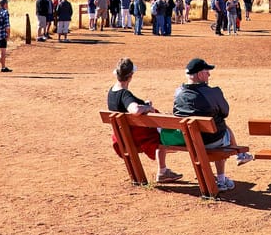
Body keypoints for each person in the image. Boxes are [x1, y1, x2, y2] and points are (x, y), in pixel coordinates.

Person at [172, 58, 254, 192]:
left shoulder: (178, 93)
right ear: (199, 75)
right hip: (212, 141)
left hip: (189, 141)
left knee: (215, 126)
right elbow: (225, 112)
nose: (209, 75)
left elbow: (177, 113)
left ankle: (237, 160)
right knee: (220, 127)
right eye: (207, 72)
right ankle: (221, 179)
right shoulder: (211, 92)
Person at [107, 58, 180, 183]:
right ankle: (162, 171)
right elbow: (134, 110)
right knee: (163, 132)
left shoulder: (111, 92)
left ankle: (163, 171)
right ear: (130, 76)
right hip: (137, 137)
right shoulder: (124, 94)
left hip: (122, 135)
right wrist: (147, 107)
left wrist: (144, 104)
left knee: (159, 128)